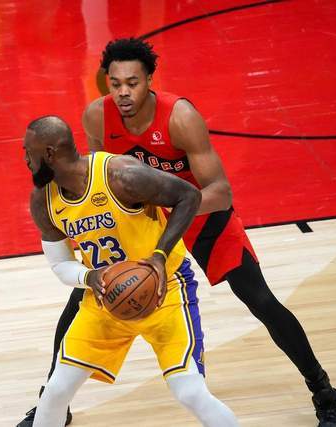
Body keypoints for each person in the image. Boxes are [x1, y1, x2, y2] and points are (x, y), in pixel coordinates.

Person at [17, 38, 336, 427]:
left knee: (260, 299)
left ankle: (324, 392)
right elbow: (96, 177)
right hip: (143, 218)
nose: (123, 92)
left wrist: (162, 210)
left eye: (133, 83)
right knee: (83, 299)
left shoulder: (180, 117)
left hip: (197, 211)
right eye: (116, 83)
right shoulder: (97, 117)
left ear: (149, 81)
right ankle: (54, 402)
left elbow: (220, 192)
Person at [23, 115, 239, 427]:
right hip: (105, 299)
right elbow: (59, 264)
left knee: (190, 392)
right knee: (55, 391)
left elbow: (188, 196)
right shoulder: (43, 201)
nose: (25, 159)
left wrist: (159, 256)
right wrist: (89, 277)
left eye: (28, 151)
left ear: (49, 153)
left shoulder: (120, 175)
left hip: (165, 292)